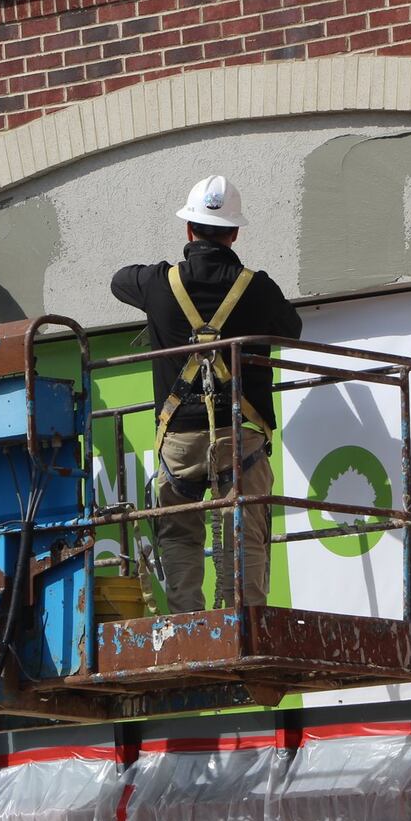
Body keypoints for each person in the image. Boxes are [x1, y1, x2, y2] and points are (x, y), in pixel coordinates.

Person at [111, 176, 301, 612]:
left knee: (178, 533)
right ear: (234, 233)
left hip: (179, 437)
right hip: (240, 436)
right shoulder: (256, 287)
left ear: (188, 230)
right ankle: (243, 623)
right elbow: (292, 329)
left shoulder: (160, 284)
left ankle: (188, 625)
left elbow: (119, 280)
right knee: (245, 529)